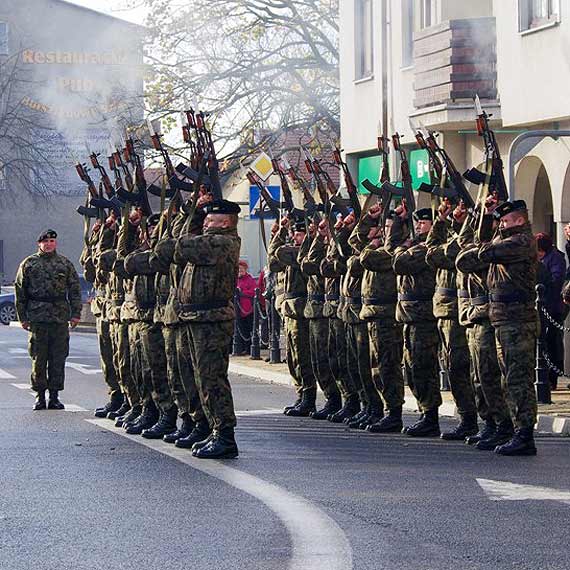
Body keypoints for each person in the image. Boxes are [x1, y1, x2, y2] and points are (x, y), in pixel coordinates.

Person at [175, 198, 242, 459]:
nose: (205, 222)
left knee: (212, 378)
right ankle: (213, 430)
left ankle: (225, 436)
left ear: (225, 222)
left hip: (212, 319)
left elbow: (180, 246)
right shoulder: (209, 240)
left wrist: (190, 212)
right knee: (201, 378)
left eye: (210, 219)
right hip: (198, 318)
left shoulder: (222, 242)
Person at [478, 199, 539, 456]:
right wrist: (486, 215)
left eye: (505, 221)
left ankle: (525, 435)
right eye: (500, 222)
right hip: (504, 319)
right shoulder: (507, 241)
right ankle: (513, 430)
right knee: (507, 378)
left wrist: (495, 232)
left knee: (518, 379)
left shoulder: (522, 242)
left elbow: (484, 253)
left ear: (520, 220)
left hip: (518, 321)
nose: (501, 225)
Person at [15, 229, 82, 410]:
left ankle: (54, 396)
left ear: (56, 243)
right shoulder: (29, 264)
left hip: (59, 317)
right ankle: (39, 395)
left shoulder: (64, 264)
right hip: (38, 316)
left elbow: (74, 290)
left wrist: (76, 314)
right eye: (46, 241)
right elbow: (20, 292)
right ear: (40, 244)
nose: (49, 244)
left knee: (58, 358)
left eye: (52, 241)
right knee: (39, 358)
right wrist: (22, 317)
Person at [389, 206, 442, 437]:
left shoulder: (428, 248)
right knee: (412, 369)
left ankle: (430, 416)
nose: (419, 226)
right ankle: (425, 414)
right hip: (410, 315)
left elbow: (398, 261)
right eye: (417, 222)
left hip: (423, 316)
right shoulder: (416, 245)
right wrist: (399, 224)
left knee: (423, 367)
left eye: (424, 222)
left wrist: (402, 244)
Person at [536, 232, 566, 390]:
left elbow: (556, 280)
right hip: (541, 308)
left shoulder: (555, 259)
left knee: (552, 342)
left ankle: (551, 378)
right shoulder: (540, 259)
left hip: (552, 308)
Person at [235, 259, 257, 355]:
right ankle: (240, 347)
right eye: (238, 270)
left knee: (248, 329)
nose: (240, 272)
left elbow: (254, 291)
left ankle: (248, 348)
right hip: (237, 309)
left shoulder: (249, 279)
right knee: (239, 328)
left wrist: (242, 292)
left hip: (247, 309)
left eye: (241, 270)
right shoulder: (235, 280)